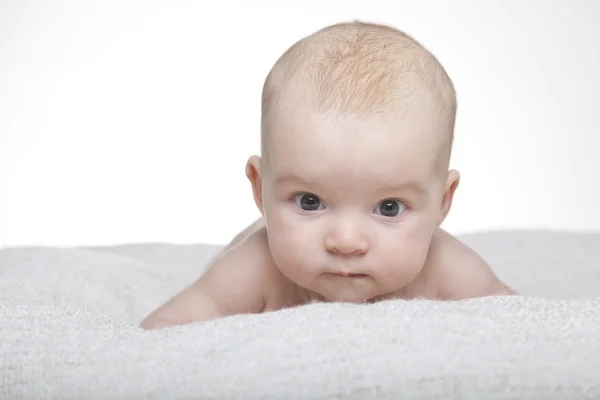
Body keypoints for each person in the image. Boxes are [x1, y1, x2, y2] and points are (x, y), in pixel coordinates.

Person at [140, 20, 515, 329]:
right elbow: (167, 329)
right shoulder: (256, 269)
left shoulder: (449, 268)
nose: (346, 241)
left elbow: (520, 322)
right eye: (309, 202)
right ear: (260, 188)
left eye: (388, 207)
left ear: (442, 202)